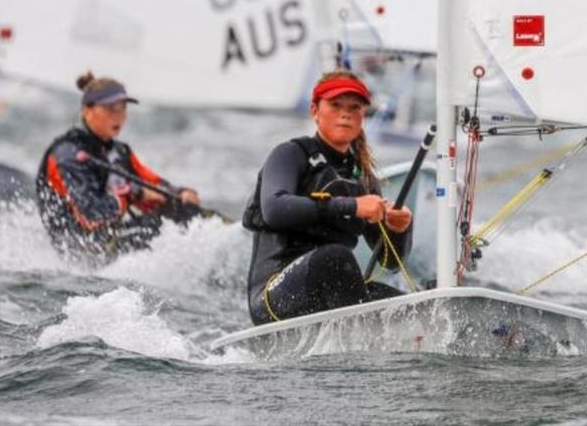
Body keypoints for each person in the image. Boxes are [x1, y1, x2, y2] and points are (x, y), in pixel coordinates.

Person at [243, 70, 413, 325]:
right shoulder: (289, 154)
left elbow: (389, 262)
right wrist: (352, 206)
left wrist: (399, 229)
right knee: (334, 258)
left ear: (362, 116)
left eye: (354, 107)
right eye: (335, 105)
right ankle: (358, 340)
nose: (345, 113)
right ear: (315, 110)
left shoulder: (364, 179)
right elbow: (274, 209)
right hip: (272, 297)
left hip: (332, 296)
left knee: (407, 305)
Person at [36, 71, 202, 264]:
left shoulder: (120, 152)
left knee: (184, 212)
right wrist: (133, 194)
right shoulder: (65, 156)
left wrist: (179, 194)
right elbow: (90, 215)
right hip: (82, 254)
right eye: (111, 108)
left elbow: (152, 183)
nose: (120, 116)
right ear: (87, 111)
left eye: (123, 108)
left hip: (112, 240)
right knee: (156, 229)